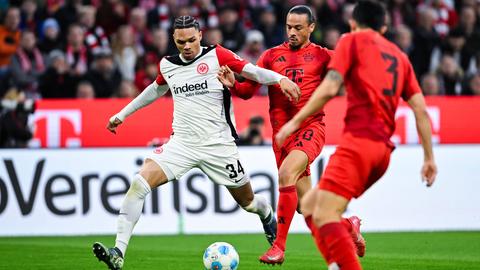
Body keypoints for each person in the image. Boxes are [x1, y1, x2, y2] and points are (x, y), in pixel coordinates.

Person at [92, 15, 301, 270]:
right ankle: (118, 253)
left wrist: (280, 79)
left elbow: (251, 71)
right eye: (181, 42)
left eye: (192, 40)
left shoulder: (217, 55)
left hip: (219, 147)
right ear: (174, 40)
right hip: (182, 144)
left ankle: (265, 211)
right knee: (139, 183)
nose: (187, 46)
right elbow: (153, 90)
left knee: (247, 203)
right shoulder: (167, 65)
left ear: (200, 36)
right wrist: (121, 115)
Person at [275, 1, 438, 269]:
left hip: (359, 145)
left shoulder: (351, 42)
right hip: (383, 154)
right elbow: (420, 109)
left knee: (323, 212)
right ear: (384, 27)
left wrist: (295, 123)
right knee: (312, 205)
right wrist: (429, 158)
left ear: (353, 23)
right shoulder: (400, 57)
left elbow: (329, 88)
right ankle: (340, 255)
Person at [217, 5, 365, 265]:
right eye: (289, 27)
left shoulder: (323, 56)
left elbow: (353, 68)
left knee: (286, 174)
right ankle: (348, 226)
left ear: (311, 28)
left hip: (311, 129)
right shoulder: (272, 56)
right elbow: (248, 91)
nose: (292, 32)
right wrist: (233, 85)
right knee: (305, 206)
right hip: (281, 136)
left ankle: (278, 247)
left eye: (298, 27)